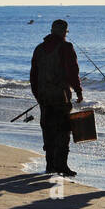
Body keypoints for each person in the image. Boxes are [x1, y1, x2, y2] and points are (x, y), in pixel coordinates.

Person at [29, 19, 83, 176]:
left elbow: (33, 75)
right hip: (61, 96)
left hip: (44, 96)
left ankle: (50, 165)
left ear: (52, 31)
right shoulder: (66, 47)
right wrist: (78, 91)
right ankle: (62, 166)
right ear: (65, 32)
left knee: (48, 129)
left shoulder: (39, 49)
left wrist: (37, 95)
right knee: (64, 131)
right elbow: (73, 72)